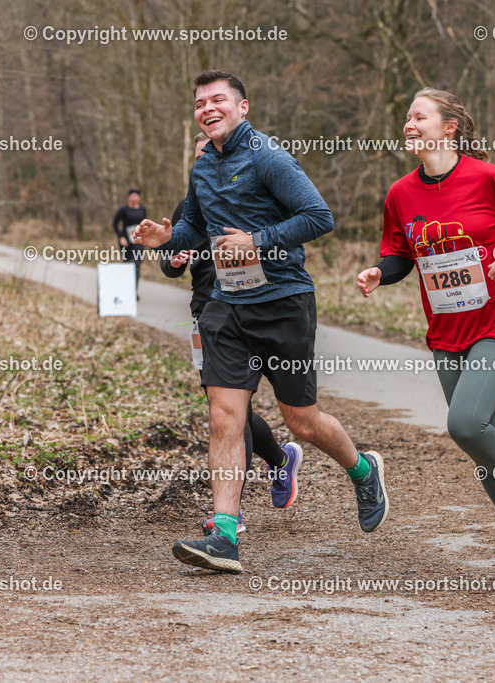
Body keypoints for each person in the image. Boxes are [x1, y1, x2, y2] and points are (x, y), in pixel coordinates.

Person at [135, 70, 388, 573]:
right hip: (227, 305)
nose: (208, 108)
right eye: (200, 102)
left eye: (219, 100)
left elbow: (318, 216)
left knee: (302, 422)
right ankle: (225, 537)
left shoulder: (269, 157)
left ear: (242, 107)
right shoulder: (203, 166)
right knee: (224, 416)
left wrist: (256, 240)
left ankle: (363, 470)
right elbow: (197, 227)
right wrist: (170, 239)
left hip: (282, 303)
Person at [356, 87, 495, 590]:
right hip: (447, 334)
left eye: (419, 116)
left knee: (465, 424)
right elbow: (401, 252)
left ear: (450, 128)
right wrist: (381, 272)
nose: (409, 124)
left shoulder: (491, 178)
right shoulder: (401, 193)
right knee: (486, 450)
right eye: (406, 117)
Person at [160, 132, 302, 533]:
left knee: (238, 414)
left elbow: (298, 224)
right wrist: (175, 258)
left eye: (210, 151)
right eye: (198, 155)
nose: (205, 159)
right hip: (206, 310)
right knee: (225, 410)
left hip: (254, 306)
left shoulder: (249, 195)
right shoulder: (188, 207)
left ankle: (231, 516)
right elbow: (169, 266)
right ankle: (279, 460)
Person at [113, 190, 147, 293]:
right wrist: (120, 237)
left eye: (136, 196)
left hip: (139, 240)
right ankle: (126, 290)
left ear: (139, 198)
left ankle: (134, 291)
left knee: (136, 264)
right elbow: (115, 224)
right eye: (132, 196)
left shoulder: (142, 209)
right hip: (126, 241)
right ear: (128, 198)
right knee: (127, 265)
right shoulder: (123, 209)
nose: (134, 198)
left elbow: (144, 223)